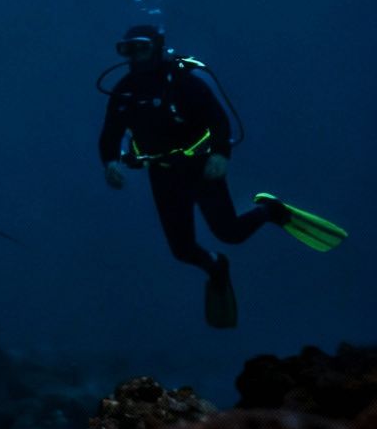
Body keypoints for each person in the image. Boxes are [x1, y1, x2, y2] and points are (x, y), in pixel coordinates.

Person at [99, 23, 345, 329]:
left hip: (200, 168)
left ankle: (270, 210)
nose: (135, 56)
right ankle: (216, 267)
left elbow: (218, 121)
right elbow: (110, 134)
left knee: (230, 233)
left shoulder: (185, 83)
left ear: (158, 47)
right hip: (162, 175)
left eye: (142, 47)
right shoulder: (124, 91)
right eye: (128, 49)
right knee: (183, 250)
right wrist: (110, 162)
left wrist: (219, 155)